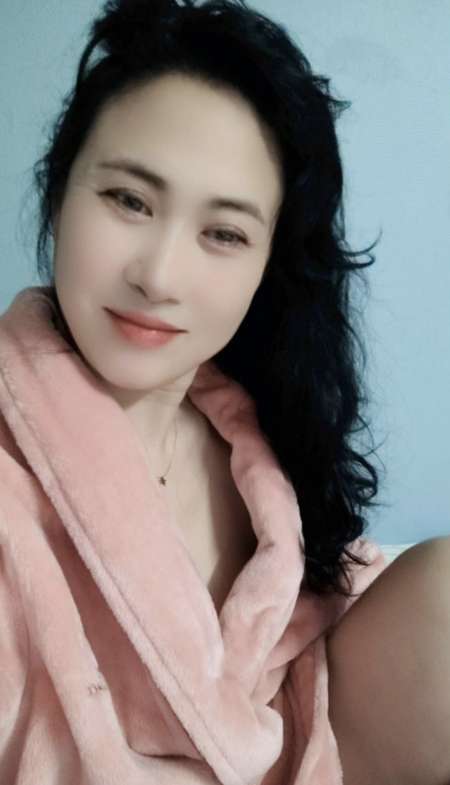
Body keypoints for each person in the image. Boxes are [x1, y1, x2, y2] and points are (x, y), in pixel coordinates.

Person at [1, 1, 449, 784]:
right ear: (61, 190)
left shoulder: (258, 432)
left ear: (268, 264)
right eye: (129, 200)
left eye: (224, 233)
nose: (159, 275)